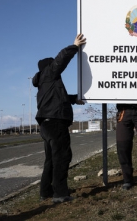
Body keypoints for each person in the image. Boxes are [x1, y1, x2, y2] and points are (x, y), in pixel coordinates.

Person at [32, 33, 86, 203]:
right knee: (62, 157)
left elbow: (59, 99)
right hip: (55, 123)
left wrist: (74, 99)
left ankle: (45, 191)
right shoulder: (49, 73)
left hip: (47, 124)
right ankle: (60, 194)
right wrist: (74, 46)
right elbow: (60, 60)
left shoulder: (44, 84)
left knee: (51, 159)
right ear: (48, 68)